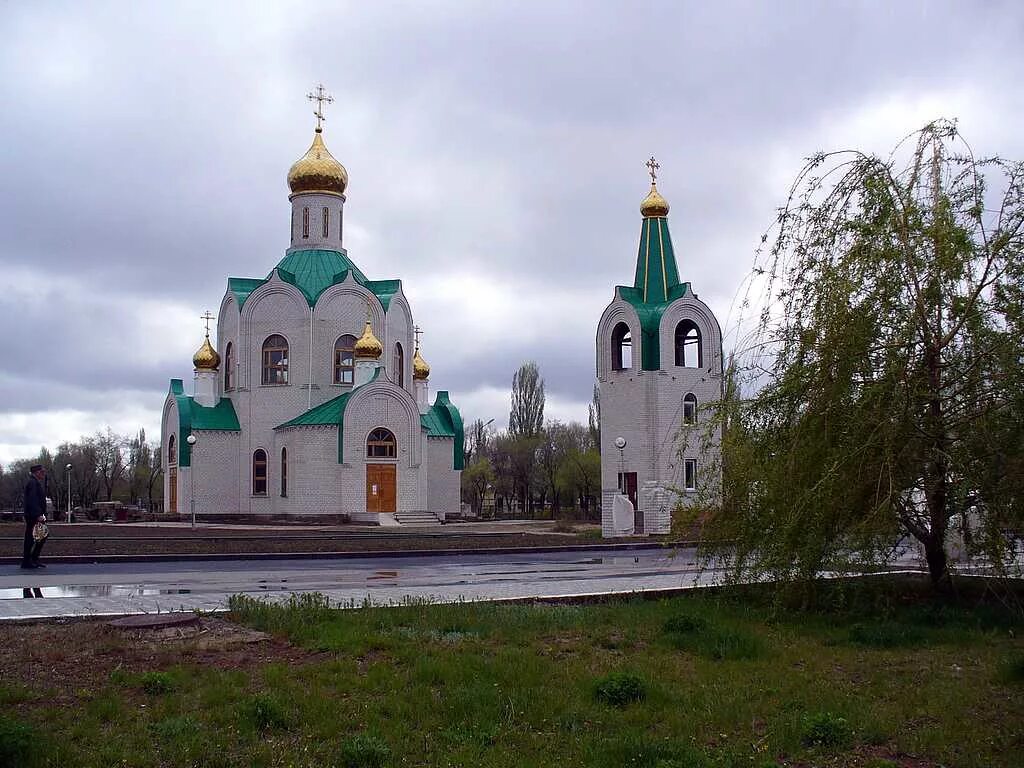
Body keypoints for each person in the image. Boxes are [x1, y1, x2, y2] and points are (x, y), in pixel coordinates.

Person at [22, 464, 48, 569]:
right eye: (42, 472)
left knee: (39, 536)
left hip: (34, 515)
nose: (43, 474)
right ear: (37, 472)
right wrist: (38, 515)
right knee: (34, 537)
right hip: (34, 516)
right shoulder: (33, 483)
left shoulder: (34, 482)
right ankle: (29, 560)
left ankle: (32, 559)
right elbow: (32, 500)